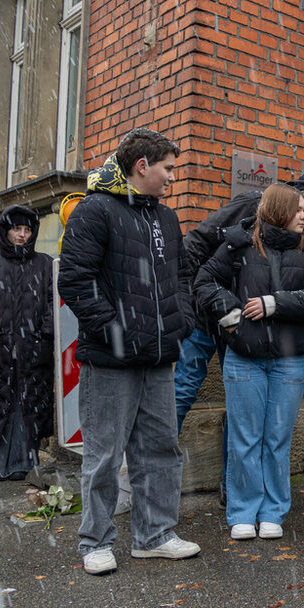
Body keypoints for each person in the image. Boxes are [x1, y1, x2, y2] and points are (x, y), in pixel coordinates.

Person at [58, 128, 200, 575]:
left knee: (160, 449)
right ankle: (95, 542)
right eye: (168, 169)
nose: (172, 178)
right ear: (143, 167)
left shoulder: (167, 219)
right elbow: (75, 282)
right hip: (111, 360)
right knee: (104, 453)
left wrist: (181, 324)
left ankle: (154, 536)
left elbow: (181, 279)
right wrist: (116, 333)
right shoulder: (95, 211)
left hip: (159, 359)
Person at [177, 166, 304, 507]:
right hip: (210, 321)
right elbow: (194, 245)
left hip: (255, 334)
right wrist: (204, 305)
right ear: (291, 199)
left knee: (244, 413)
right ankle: (147, 478)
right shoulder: (251, 205)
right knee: (183, 391)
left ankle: (232, 488)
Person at [0, 205, 55, 481]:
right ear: (5, 231)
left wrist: (44, 337)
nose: (22, 235)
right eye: (16, 229)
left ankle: (24, 462)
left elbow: (54, 305)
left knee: (28, 406)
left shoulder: (44, 264)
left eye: (27, 230)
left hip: (33, 353)